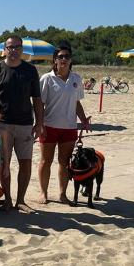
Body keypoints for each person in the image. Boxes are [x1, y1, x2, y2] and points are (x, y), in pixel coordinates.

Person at [0, 35, 44, 212]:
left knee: (25, 162)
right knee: (2, 163)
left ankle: (20, 200)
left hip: (24, 124)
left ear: (22, 49)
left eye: (17, 47)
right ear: (4, 50)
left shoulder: (30, 70)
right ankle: (7, 199)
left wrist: (39, 123)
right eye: (10, 47)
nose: (13, 50)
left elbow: (37, 99)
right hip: (2, 125)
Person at [38, 44, 92, 204]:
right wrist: (39, 124)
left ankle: (62, 194)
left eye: (66, 56)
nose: (63, 59)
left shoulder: (76, 79)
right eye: (60, 57)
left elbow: (76, 103)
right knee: (45, 161)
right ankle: (43, 193)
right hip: (49, 126)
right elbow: (39, 103)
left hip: (69, 128)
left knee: (64, 162)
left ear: (71, 60)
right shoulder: (46, 79)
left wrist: (83, 121)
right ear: (55, 60)